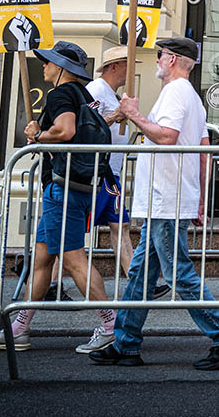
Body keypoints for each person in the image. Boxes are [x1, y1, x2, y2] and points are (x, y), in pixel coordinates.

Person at [90, 37, 219, 370]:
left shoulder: (177, 93)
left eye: (161, 55)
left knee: (177, 273)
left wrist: (132, 115)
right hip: (166, 197)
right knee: (140, 275)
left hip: (167, 197)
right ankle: (125, 343)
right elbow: (203, 149)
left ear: (173, 59)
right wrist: (201, 200)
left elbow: (166, 137)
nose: (158, 59)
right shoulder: (189, 96)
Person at [0, 41, 116, 354]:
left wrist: (37, 135)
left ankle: (110, 325)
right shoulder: (84, 95)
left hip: (62, 189)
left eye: (49, 62)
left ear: (62, 68)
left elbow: (65, 131)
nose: (45, 66)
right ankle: (19, 328)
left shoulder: (61, 94)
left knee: (73, 260)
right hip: (75, 186)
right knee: (42, 259)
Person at [84, 47, 138, 281]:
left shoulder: (112, 94)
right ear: (114, 66)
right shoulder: (96, 90)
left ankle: (138, 281)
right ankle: (50, 283)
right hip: (97, 173)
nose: (131, 72)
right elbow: (86, 126)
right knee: (74, 235)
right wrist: (114, 116)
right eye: (128, 65)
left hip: (110, 173)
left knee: (121, 227)